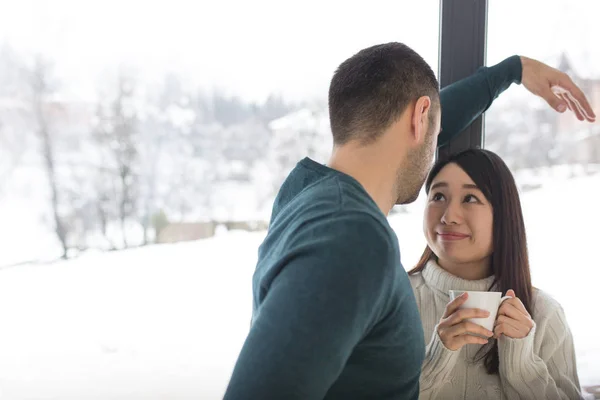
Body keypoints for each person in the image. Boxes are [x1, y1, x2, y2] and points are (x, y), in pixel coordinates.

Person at [223, 42, 596, 400]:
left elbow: (405, 134)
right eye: (436, 132)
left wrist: (513, 70)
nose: (437, 143)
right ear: (419, 117)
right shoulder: (350, 238)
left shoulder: (305, 194)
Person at [409, 148, 582, 400]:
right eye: (438, 196)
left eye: (469, 198)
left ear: (503, 215)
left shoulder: (545, 314)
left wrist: (522, 366)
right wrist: (437, 357)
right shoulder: (391, 301)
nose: (448, 217)